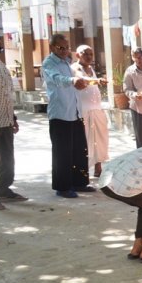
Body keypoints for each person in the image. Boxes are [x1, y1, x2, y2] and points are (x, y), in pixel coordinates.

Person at [41, 34, 92, 198]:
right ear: (52, 47)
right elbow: (57, 79)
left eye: (66, 47)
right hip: (60, 113)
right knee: (62, 153)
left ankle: (79, 182)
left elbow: (72, 82)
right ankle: (62, 187)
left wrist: (79, 83)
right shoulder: (49, 63)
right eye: (60, 48)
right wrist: (72, 80)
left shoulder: (66, 62)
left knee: (79, 149)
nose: (64, 51)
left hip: (74, 111)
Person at [0, 32, 27, 210]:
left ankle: (4, 190)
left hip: (6, 120)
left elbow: (7, 94)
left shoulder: (1, 66)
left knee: (7, 159)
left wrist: (13, 117)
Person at [71, 46, 109, 178]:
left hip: (96, 109)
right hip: (83, 110)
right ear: (78, 55)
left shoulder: (90, 68)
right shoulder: (74, 68)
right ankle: (83, 170)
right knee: (86, 141)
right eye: (85, 54)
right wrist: (97, 81)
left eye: (91, 54)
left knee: (99, 139)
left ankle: (98, 167)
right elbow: (81, 80)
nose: (88, 57)